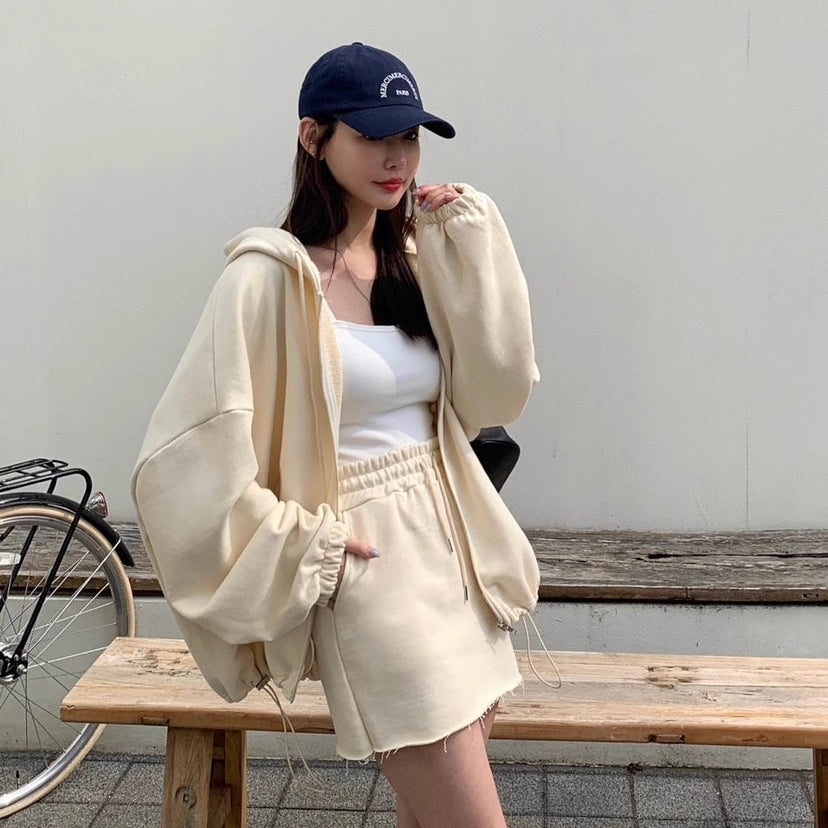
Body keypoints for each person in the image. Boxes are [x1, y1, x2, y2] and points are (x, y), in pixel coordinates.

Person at [132, 42, 539, 827]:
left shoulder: (414, 259)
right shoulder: (266, 279)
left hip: (456, 554)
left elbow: (498, 392)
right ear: (313, 137)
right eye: (373, 135)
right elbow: (181, 457)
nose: (398, 158)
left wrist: (470, 248)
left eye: (410, 137)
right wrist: (299, 539)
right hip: (371, 566)